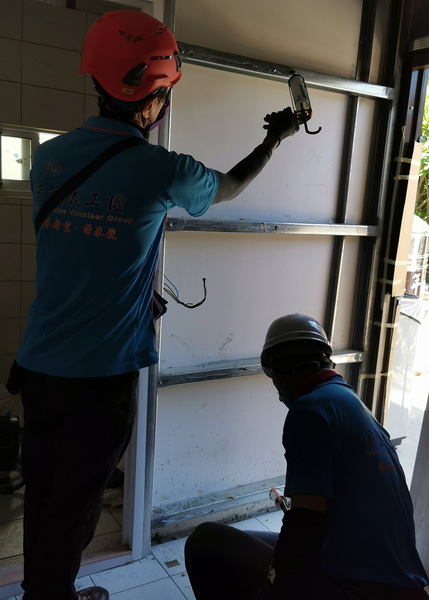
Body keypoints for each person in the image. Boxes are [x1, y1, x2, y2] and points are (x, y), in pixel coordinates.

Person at [9, 10, 301, 600]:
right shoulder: (161, 171)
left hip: (38, 366)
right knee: (76, 510)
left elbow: (89, 253)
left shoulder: (48, 158)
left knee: (43, 496)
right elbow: (230, 185)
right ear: (154, 97)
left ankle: (45, 589)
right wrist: (274, 138)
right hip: (100, 378)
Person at [184, 314, 429, 599]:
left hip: (358, 589)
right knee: (247, 540)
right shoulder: (347, 402)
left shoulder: (309, 412)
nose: (278, 394)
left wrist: (275, 588)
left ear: (279, 371)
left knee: (205, 541)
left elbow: (305, 525)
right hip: (392, 582)